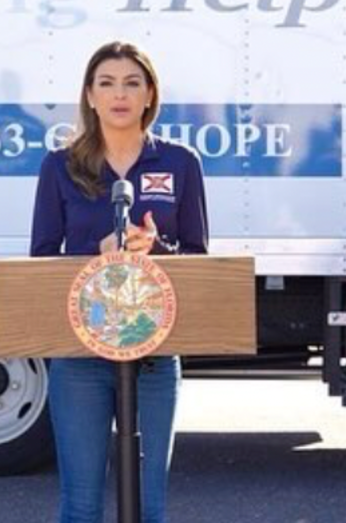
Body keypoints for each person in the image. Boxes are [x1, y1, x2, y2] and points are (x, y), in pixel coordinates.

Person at [30, 41, 208, 523]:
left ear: (150, 94)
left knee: (150, 507)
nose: (120, 95)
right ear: (90, 96)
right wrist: (98, 257)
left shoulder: (180, 162)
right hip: (80, 356)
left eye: (132, 83)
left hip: (154, 353)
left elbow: (197, 259)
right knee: (80, 506)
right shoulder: (61, 165)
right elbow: (41, 261)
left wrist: (157, 249)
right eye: (106, 83)